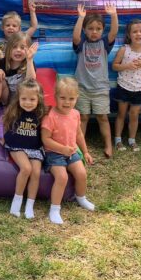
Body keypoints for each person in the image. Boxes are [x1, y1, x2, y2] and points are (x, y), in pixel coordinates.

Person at [41, 77, 95, 225]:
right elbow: (45, 139)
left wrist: (85, 152)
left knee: (82, 173)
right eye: (63, 98)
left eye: (71, 98)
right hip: (54, 153)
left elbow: (78, 134)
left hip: (71, 152)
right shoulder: (50, 116)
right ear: (55, 97)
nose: (67, 102)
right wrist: (62, 149)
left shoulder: (75, 114)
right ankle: (55, 208)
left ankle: (81, 197)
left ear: (77, 98)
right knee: (62, 177)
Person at [72, 3, 119, 158]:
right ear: (85, 30)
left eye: (98, 29)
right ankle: (80, 146)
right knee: (83, 117)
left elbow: (113, 32)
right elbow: (76, 37)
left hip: (100, 89)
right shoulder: (81, 44)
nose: (94, 32)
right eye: (90, 28)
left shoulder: (104, 44)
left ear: (102, 31)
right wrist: (81, 18)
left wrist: (113, 15)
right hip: (82, 89)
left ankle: (108, 146)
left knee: (102, 117)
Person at [2, 78, 47, 219]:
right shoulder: (15, 111)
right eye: (24, 99)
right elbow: (7, 126)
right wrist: (5, 140)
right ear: (18, 98)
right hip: (17, 146)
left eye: (32, 99)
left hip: (34, 147)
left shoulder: (41, 113)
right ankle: (17, 201)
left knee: (36, 173)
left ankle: (29, 205)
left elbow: (44, 133)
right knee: (26, 169)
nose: (28, 103)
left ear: (38, 99)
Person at [111, 19, 141, 152]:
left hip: (140, 88)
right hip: (124, 86)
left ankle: (132, 140)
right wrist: (127, 65)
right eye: (135, 31)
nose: (138, 34)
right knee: (121, 114)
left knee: (134, 115)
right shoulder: (124, 49)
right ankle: (118, 139)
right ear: (129, 34)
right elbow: (114, 66)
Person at [0, 32, 38, 123]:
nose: (18, 50)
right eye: (14, 47)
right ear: (8, 49)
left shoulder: (29, 63)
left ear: (29, 50)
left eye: (22, 47)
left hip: (21, 98)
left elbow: (31, 82)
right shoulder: (4, 62)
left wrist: (29, 60)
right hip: (6, 97)